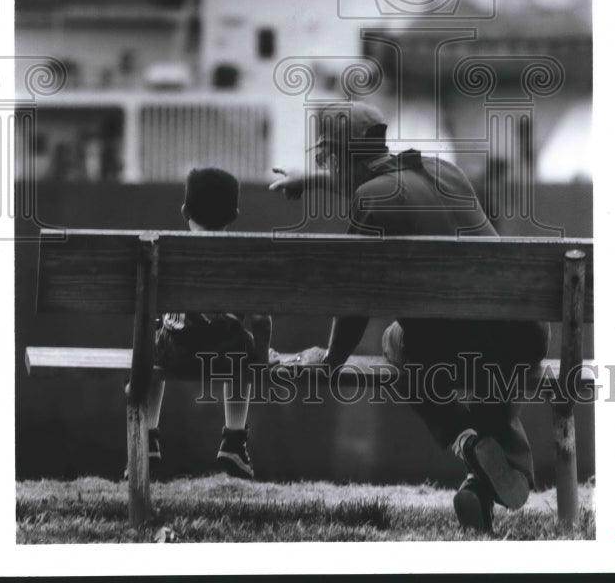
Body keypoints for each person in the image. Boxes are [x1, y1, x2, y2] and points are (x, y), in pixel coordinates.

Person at [270, 102, 550, 533]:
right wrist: (314, 178)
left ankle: (464, 437)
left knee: (396, 342)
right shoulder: (444, 171)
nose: (324, 167)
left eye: (324, 159)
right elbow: (374, 179)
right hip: (527, 334)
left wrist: (330, 360)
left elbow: (355, 300)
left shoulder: (370, 201)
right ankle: (483, 480)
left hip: (461, 350)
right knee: (489, 346)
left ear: (341, 158)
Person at [145, 167, 272, 480]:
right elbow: (259, 318)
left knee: (150, 345)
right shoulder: (244, 256)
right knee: (245, 346)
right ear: (236, 214)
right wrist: (263, 358)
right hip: (226, 354)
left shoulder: (163, 250)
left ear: (185, 210)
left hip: (176, 351)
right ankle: (234, 438)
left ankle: (146, 435)